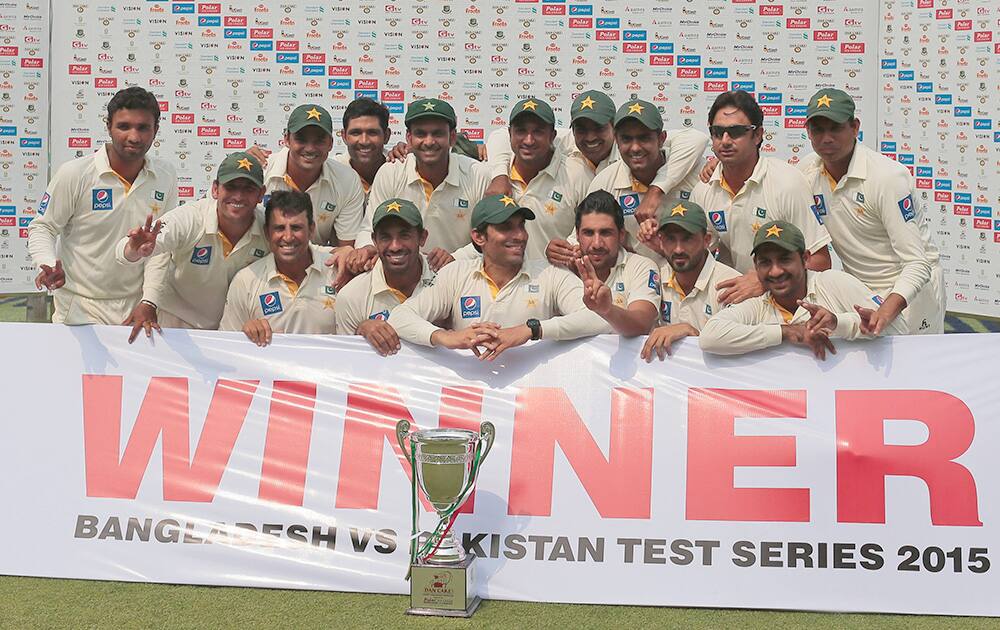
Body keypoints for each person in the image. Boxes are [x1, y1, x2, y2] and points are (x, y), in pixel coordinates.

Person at [389, 194, 606, 360]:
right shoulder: (455, 274)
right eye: (506, 228)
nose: (519, 236)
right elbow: (399, 318)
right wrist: (446, 337)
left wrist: (531, 330)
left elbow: (599, 318)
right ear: (478, 237)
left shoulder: (551, 273)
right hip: (471, 398)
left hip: (533, 396)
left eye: (521, 226)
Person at [799, 88, 944, 335]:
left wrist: (886, 311)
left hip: (911, 294)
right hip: (861, 292)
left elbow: (918, 264)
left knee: (915, 370)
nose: (826, 138)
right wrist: (717, 167)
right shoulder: (808, 171)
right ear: (808, 133)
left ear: (854, 127)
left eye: (835, 128)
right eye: (818, 130)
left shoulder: (888, 178)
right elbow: (771, 180)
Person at [28, 86, 178, 325]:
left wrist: (149, 301)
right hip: (79, 308)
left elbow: (161, 247)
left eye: (143, 127)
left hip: (134, 308)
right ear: (108, 126)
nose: (134, 137)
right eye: (124, 126)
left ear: (155, 130)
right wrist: (47, 263)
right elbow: (43, 227)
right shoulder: (75, 173)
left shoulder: (165, 175)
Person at [486, 90, 708, 230]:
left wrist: (656, 191)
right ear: (570, 129)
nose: (590, 137)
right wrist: (499, 174)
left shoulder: (631, 152)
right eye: (582, 129)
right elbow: (500, 137)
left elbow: (697, 138)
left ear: (613, 127)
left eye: (599, 128)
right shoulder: (562, 142)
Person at [691, 90, 832, 305]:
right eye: (717, 132)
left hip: (787, 305)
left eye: (736, 131)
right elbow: (696, 257)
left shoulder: (787, 182)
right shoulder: (704, 189)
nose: (725, 141)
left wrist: (762, 280)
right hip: (736, 305)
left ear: (757, 135)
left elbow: (821, 261)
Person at [114, 152, 269, 340]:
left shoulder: (269, 228)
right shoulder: (191, 218)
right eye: (231, 187)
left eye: (248, 189)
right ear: (215, 190)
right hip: (175, 327)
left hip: (231, 332)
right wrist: (134, 249)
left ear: (261, 194)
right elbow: (126, 253)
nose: (238, 196)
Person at [699, 221, 904, 359]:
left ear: (805, 258)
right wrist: (787, 332)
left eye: (785, 260)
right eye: (765, 262)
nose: (776, 271)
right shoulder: (758, 304)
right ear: (755, 264)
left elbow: (898, 331)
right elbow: (710, 337)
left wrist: (837, 323)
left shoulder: (832, 282)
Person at [353, 98, 492, 272]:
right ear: (409, 138)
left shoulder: (478, 175)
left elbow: (491, 236)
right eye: (420, 134)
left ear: (453, 138)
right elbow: (368, 229)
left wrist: (456, 258)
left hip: (461, 274)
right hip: (402, 275)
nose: (429, 141)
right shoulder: (391, 172)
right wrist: (368, 248)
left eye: (438, 133)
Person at [564, 99, 703, 265]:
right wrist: (567, 249)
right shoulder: (605, 181)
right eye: (626, 139)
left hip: (690, 279)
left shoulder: (694, 171)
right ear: (616, 139)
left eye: (644, 138)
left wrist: (656, 190)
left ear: (661, 138)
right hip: (637, 281)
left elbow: (698, 138)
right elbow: (580, 234)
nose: (635, 147)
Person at [219, 191, 337, 346]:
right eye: (279, 228)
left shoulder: (337, 270)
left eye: (296, 228)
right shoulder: (246, 281)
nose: (288, 237)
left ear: (312, 229)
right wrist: (245, 333)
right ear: (267, 233)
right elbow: (226, 346)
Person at [640, 200, 741, 361]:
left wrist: (691, 332)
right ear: (660, 241)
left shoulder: (731, 283)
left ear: (707, 240)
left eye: (687, 239)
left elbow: (741, 349)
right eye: (671, 239)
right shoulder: (654, 277)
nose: (678, 249)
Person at [335, 198, 437, 356]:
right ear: (374, 240)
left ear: (422, 237)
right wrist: (360, 331)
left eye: (404, 235)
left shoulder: (445, 280)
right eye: (385, 237)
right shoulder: (351, 297)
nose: (395, 246)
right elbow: (346, 364)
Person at [257, 103, 366, 251]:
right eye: (301, 139)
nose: (310, 148)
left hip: (316, 267)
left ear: (331, 143)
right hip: (260, 261)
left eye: (319, 140)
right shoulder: (261, 170)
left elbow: (345, 251)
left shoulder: (347, 180)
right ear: (287, 139)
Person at [571, 191, 660, 337]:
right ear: (577, 235)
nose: (597, 244)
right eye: (588, 233)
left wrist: (607, 310)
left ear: (622, 235)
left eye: (606, 233)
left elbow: (642, 325)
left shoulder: (641, 266)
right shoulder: (566, 267)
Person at [332, 97, 391, 211]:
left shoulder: (399, 169)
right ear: (344, 136)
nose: (364, 141)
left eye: (372, 133)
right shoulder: (331, 171)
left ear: (386, 136)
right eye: (356, 133)